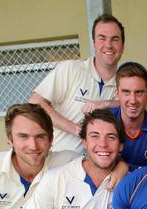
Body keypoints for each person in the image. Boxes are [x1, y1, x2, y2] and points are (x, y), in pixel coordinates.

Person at [30, 14, 125, 153]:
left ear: (123, 46)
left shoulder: (124, 82)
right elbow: (35, 102)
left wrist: (106, 103)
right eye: (102, 38)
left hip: (98, 168)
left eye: (115, 39)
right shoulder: (71, 69)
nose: (108, 45)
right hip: (60, 162)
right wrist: (76, 129)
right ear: (94, 43)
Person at [110, 62, 147, 170]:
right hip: (112, 185)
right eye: (126, 92)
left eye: (139, 93)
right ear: (117, 94)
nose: (133, 100)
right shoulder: (104, 123)